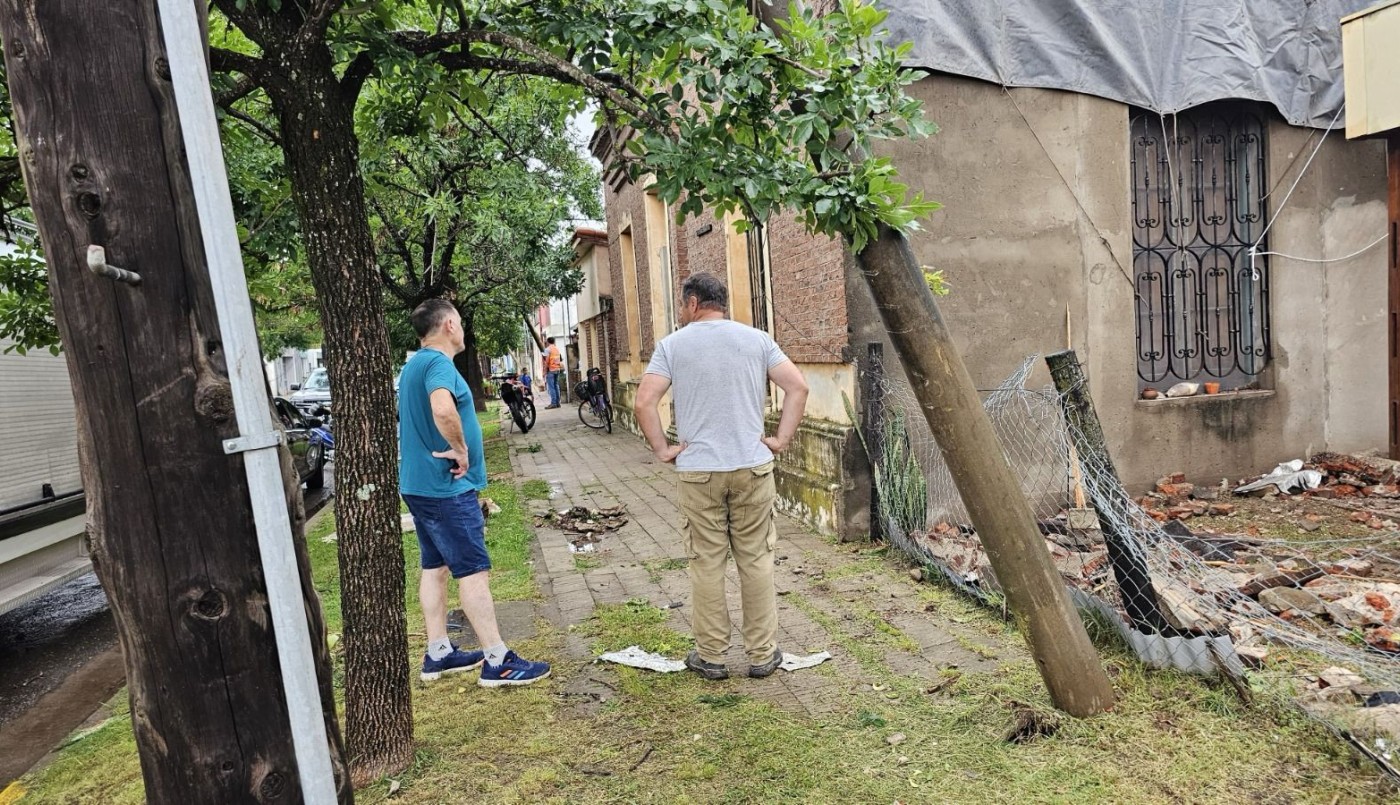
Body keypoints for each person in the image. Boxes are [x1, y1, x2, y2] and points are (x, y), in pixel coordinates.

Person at [635, 273, 809, 680]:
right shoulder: (757, 340)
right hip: (751, 466)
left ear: (693, 303)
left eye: (682, 305)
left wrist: (663, 449)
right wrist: (780, 439)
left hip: (699, 472)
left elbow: (646, 402)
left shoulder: (673, 346)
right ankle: (763, 653)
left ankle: (711, 656)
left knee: (706, 562)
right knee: (757, 559)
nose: (681, 312)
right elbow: (797, 388)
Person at [399, 299, 551, 687]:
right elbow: (442, 409)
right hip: (446, 488)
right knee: (473, 570)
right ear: (449, 324)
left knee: (434, 567)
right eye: (461, 322)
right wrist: (462, 450)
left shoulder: (413, 364)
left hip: (420, 487)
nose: (463, 329)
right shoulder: (436, 364)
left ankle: (439, 653)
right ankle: (497, 660)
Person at [542, 337, 563, 409]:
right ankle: (558, 403)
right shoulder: (557, 349)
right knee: (556, 386)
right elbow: (560, 359)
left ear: (548, 342)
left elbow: (547, 361)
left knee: (551, 387)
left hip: (551, 370)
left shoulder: (548, 349)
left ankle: (553, 403)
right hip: (557, 369)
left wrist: (544, 371)